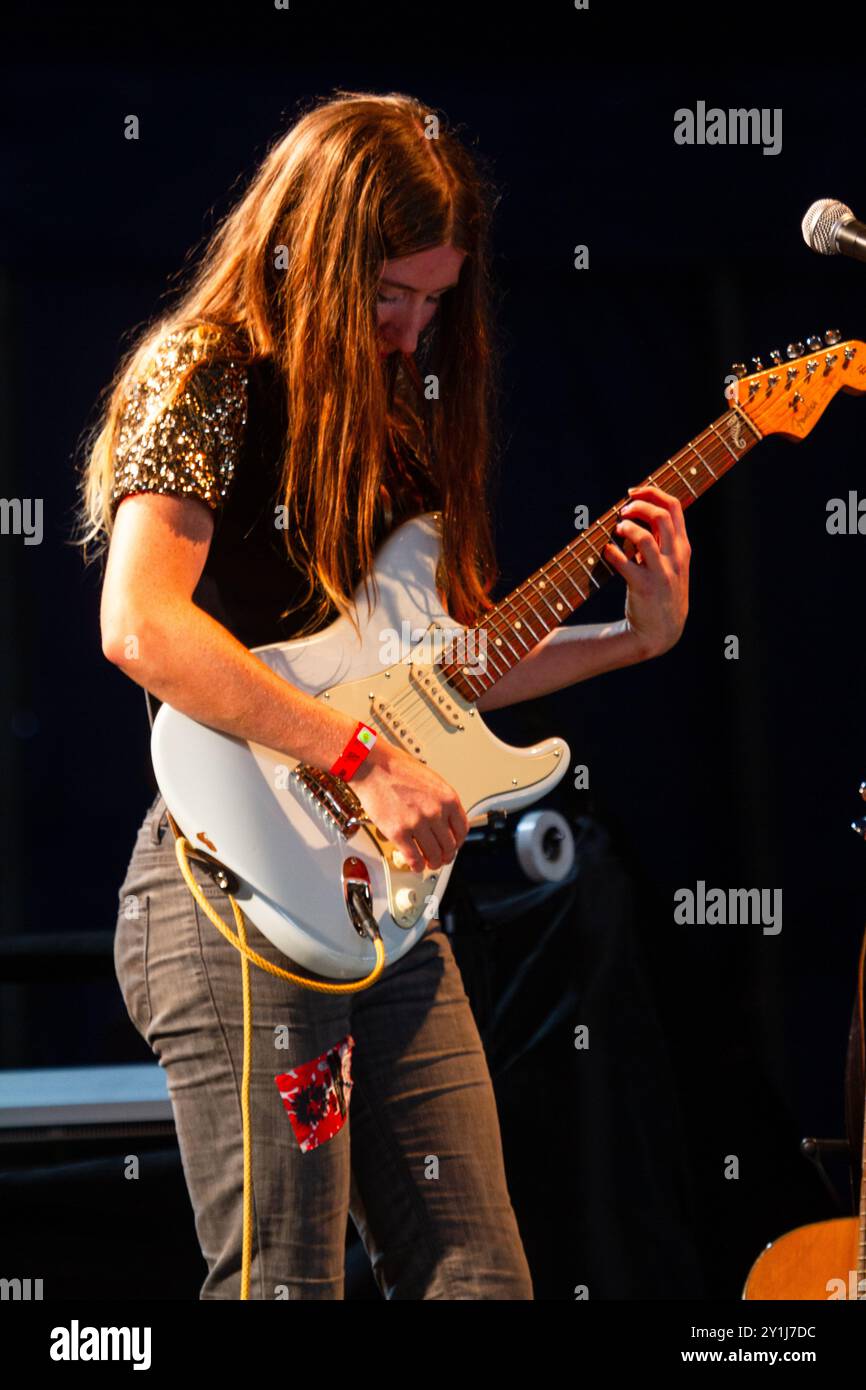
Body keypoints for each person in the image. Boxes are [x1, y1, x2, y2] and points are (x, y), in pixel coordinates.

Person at [73, 90, 691, 1300]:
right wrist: (358, 761)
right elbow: (141, 623)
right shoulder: (205, 369)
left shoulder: (405, 416)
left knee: (480, 1278)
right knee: (282, 1284)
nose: (412, 330)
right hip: (228, 895)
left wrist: (631, 638)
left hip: (384, 914)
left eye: (433, 302)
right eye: (385, 297)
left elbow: (440, 674)